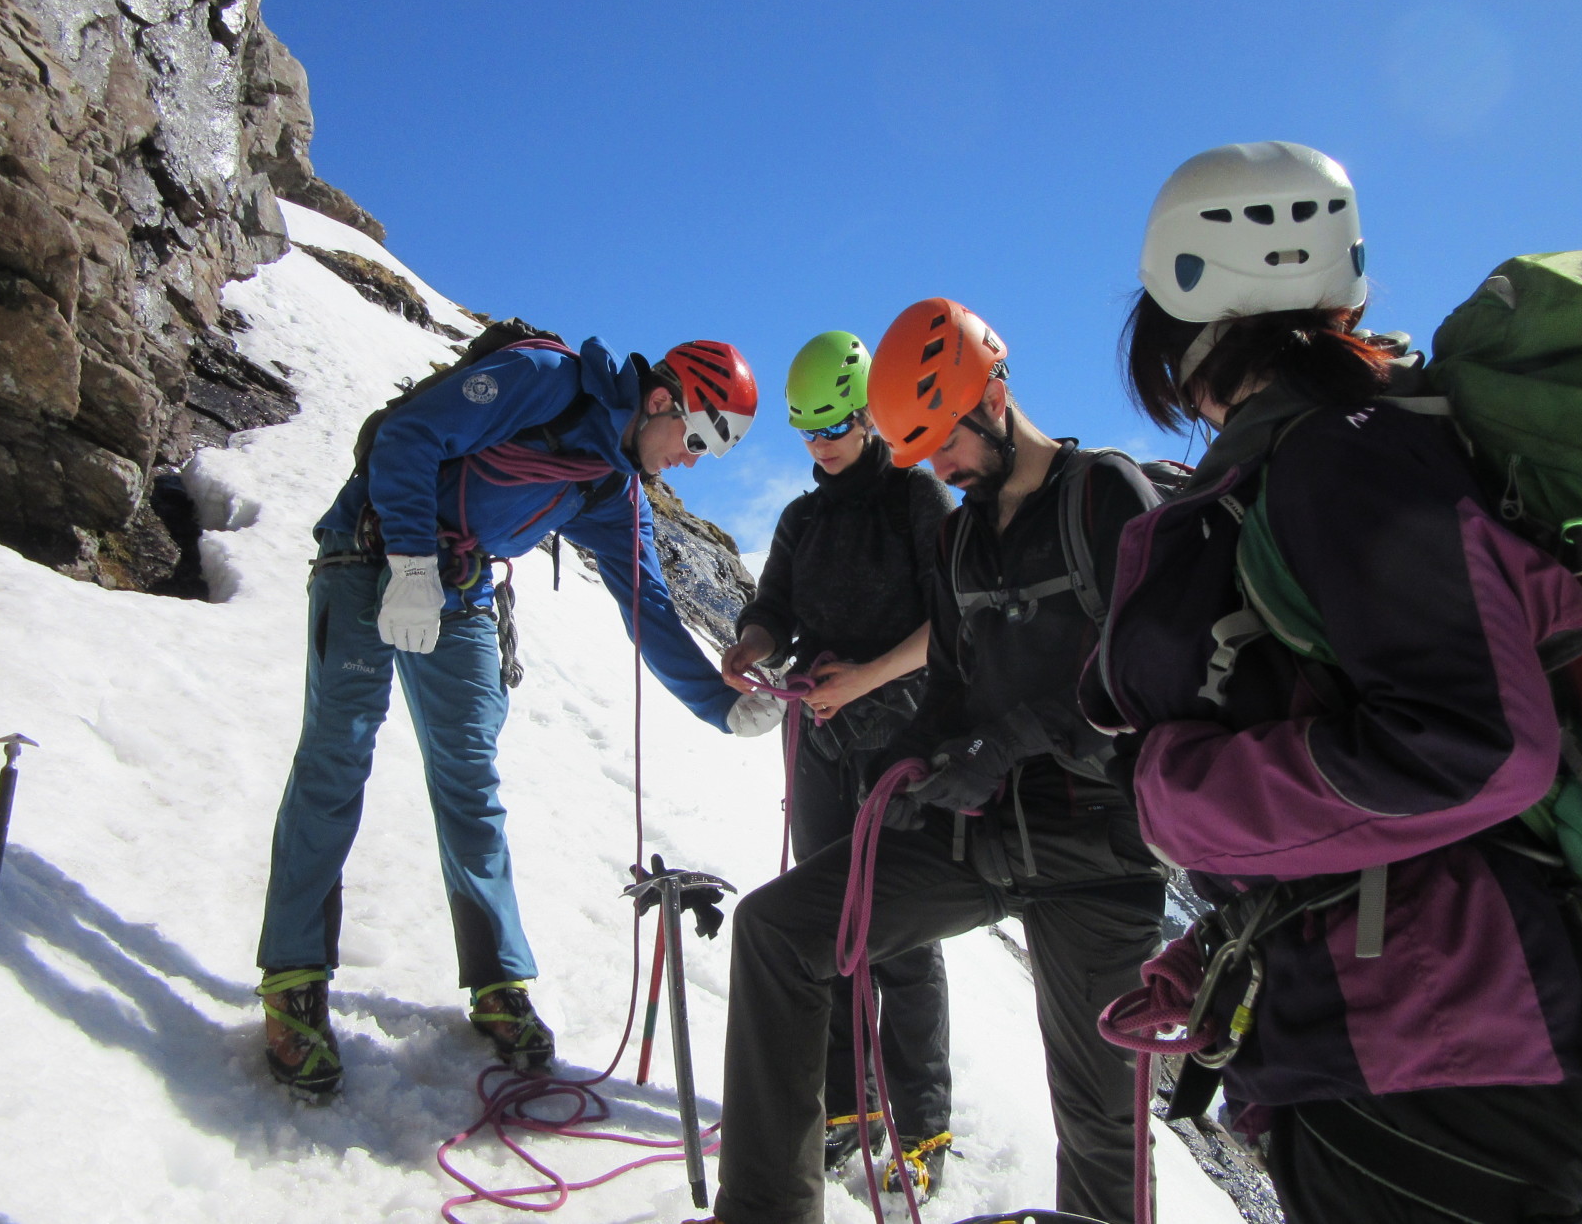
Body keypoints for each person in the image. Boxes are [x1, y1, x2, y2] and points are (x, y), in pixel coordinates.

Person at [1091, 141, 1582, 1222]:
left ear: (1193, 310)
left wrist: (1180, 796)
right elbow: (1352, 744)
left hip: (1443, 1049)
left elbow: (1475, 743)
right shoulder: (1336, 445)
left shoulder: (1341, 453)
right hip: (1425, 1035)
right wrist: (1230, 934)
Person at [710, 299, 1168, 1224]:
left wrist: (1007, 742)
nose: (943, 471)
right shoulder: (961, 533)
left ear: (992, 394)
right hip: (981, 829)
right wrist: (913, 756)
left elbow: (1153, 685)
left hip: (1096, 855)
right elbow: (955, 685)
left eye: (946, 446)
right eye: (923, 456)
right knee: (778, 929)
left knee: (1099, 1121)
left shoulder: (1104, 498)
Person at [255, 327, 783, 1099]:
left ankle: (498, 981)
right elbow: (407, 437)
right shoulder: (543, 381)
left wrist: (721, 706)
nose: (693, 461)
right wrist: (407, 562)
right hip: (368, 559)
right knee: (336, 759)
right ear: (664, 400)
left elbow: (650, 606)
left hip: (463, 588)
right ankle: (293, 979)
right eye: (697, 439)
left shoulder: (612, 489)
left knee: (470, 780)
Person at [717, 330, 958, 1182]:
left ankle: (922, 1124)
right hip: (822, 739)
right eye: (808, 433)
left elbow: (951, 625)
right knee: (826, 927)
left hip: (902, 738)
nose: (820, 447)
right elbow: (774, 604)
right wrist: (752, 642)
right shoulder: (802, 519)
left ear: (868, 415)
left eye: (834, 429)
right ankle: (846, 1103)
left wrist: (862, 683)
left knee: (900, 935)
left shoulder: (918, 502)